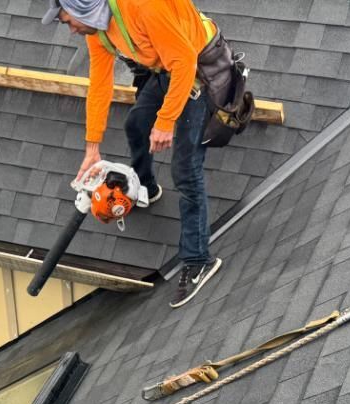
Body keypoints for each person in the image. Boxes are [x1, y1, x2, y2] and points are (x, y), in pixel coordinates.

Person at [43, 0, 223, 309]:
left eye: (67, 20)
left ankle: (198, 260)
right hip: (168, 65)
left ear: (84, 9)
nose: (70, 29)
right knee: (137, 124)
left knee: (185, 169)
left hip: (199, 68)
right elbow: (100, 85)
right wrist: (92, 148)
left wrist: (166, 122)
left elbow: (184, 62)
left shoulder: (142, 6)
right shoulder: (98, 30)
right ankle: (146, 188)